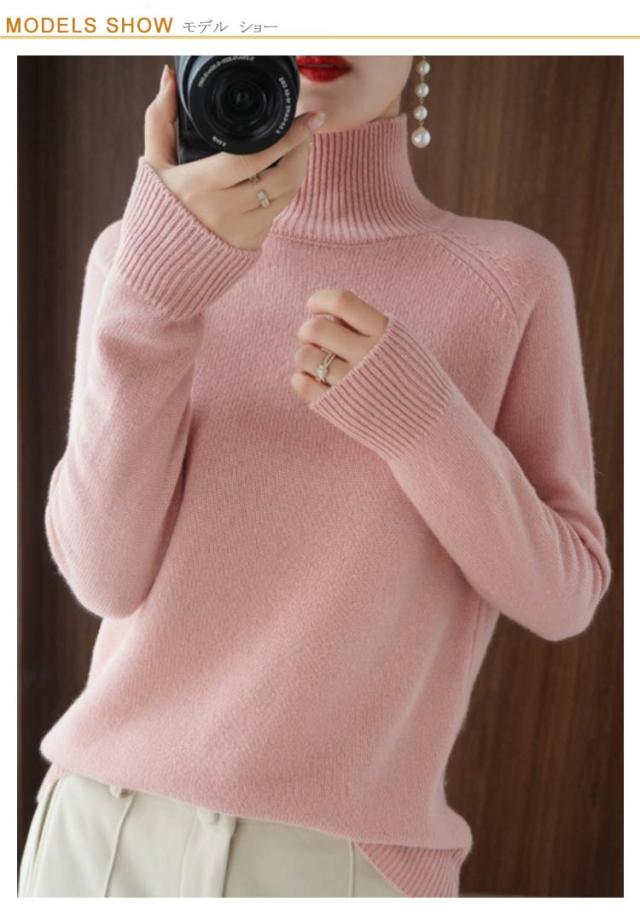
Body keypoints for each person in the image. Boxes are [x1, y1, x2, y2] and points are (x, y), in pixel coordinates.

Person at [19, 56, 612, 898]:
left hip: (346, 865)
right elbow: (103, 574)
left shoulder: (510, 276)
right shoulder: (139, 255)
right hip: (102, 840)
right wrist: (154, 289)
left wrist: (423, 421)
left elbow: (565, 593)